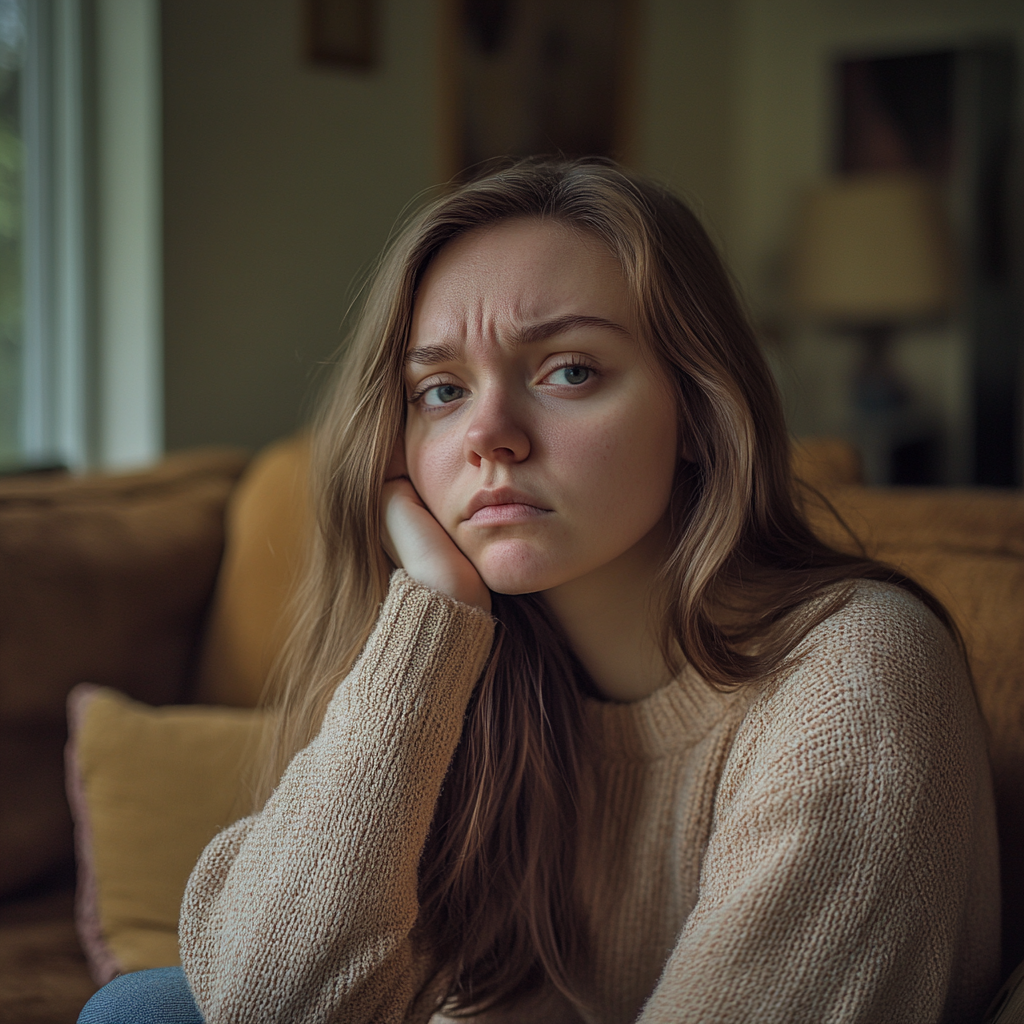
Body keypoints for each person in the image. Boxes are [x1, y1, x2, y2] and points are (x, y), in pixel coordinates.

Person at [79, 158, 999, 1024]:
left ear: (698, 410)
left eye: (569, 371)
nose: (490, 436)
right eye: (439, 389)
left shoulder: (854, 678)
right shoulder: (468, 666)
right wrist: (431, 624)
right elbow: (265, 1001)